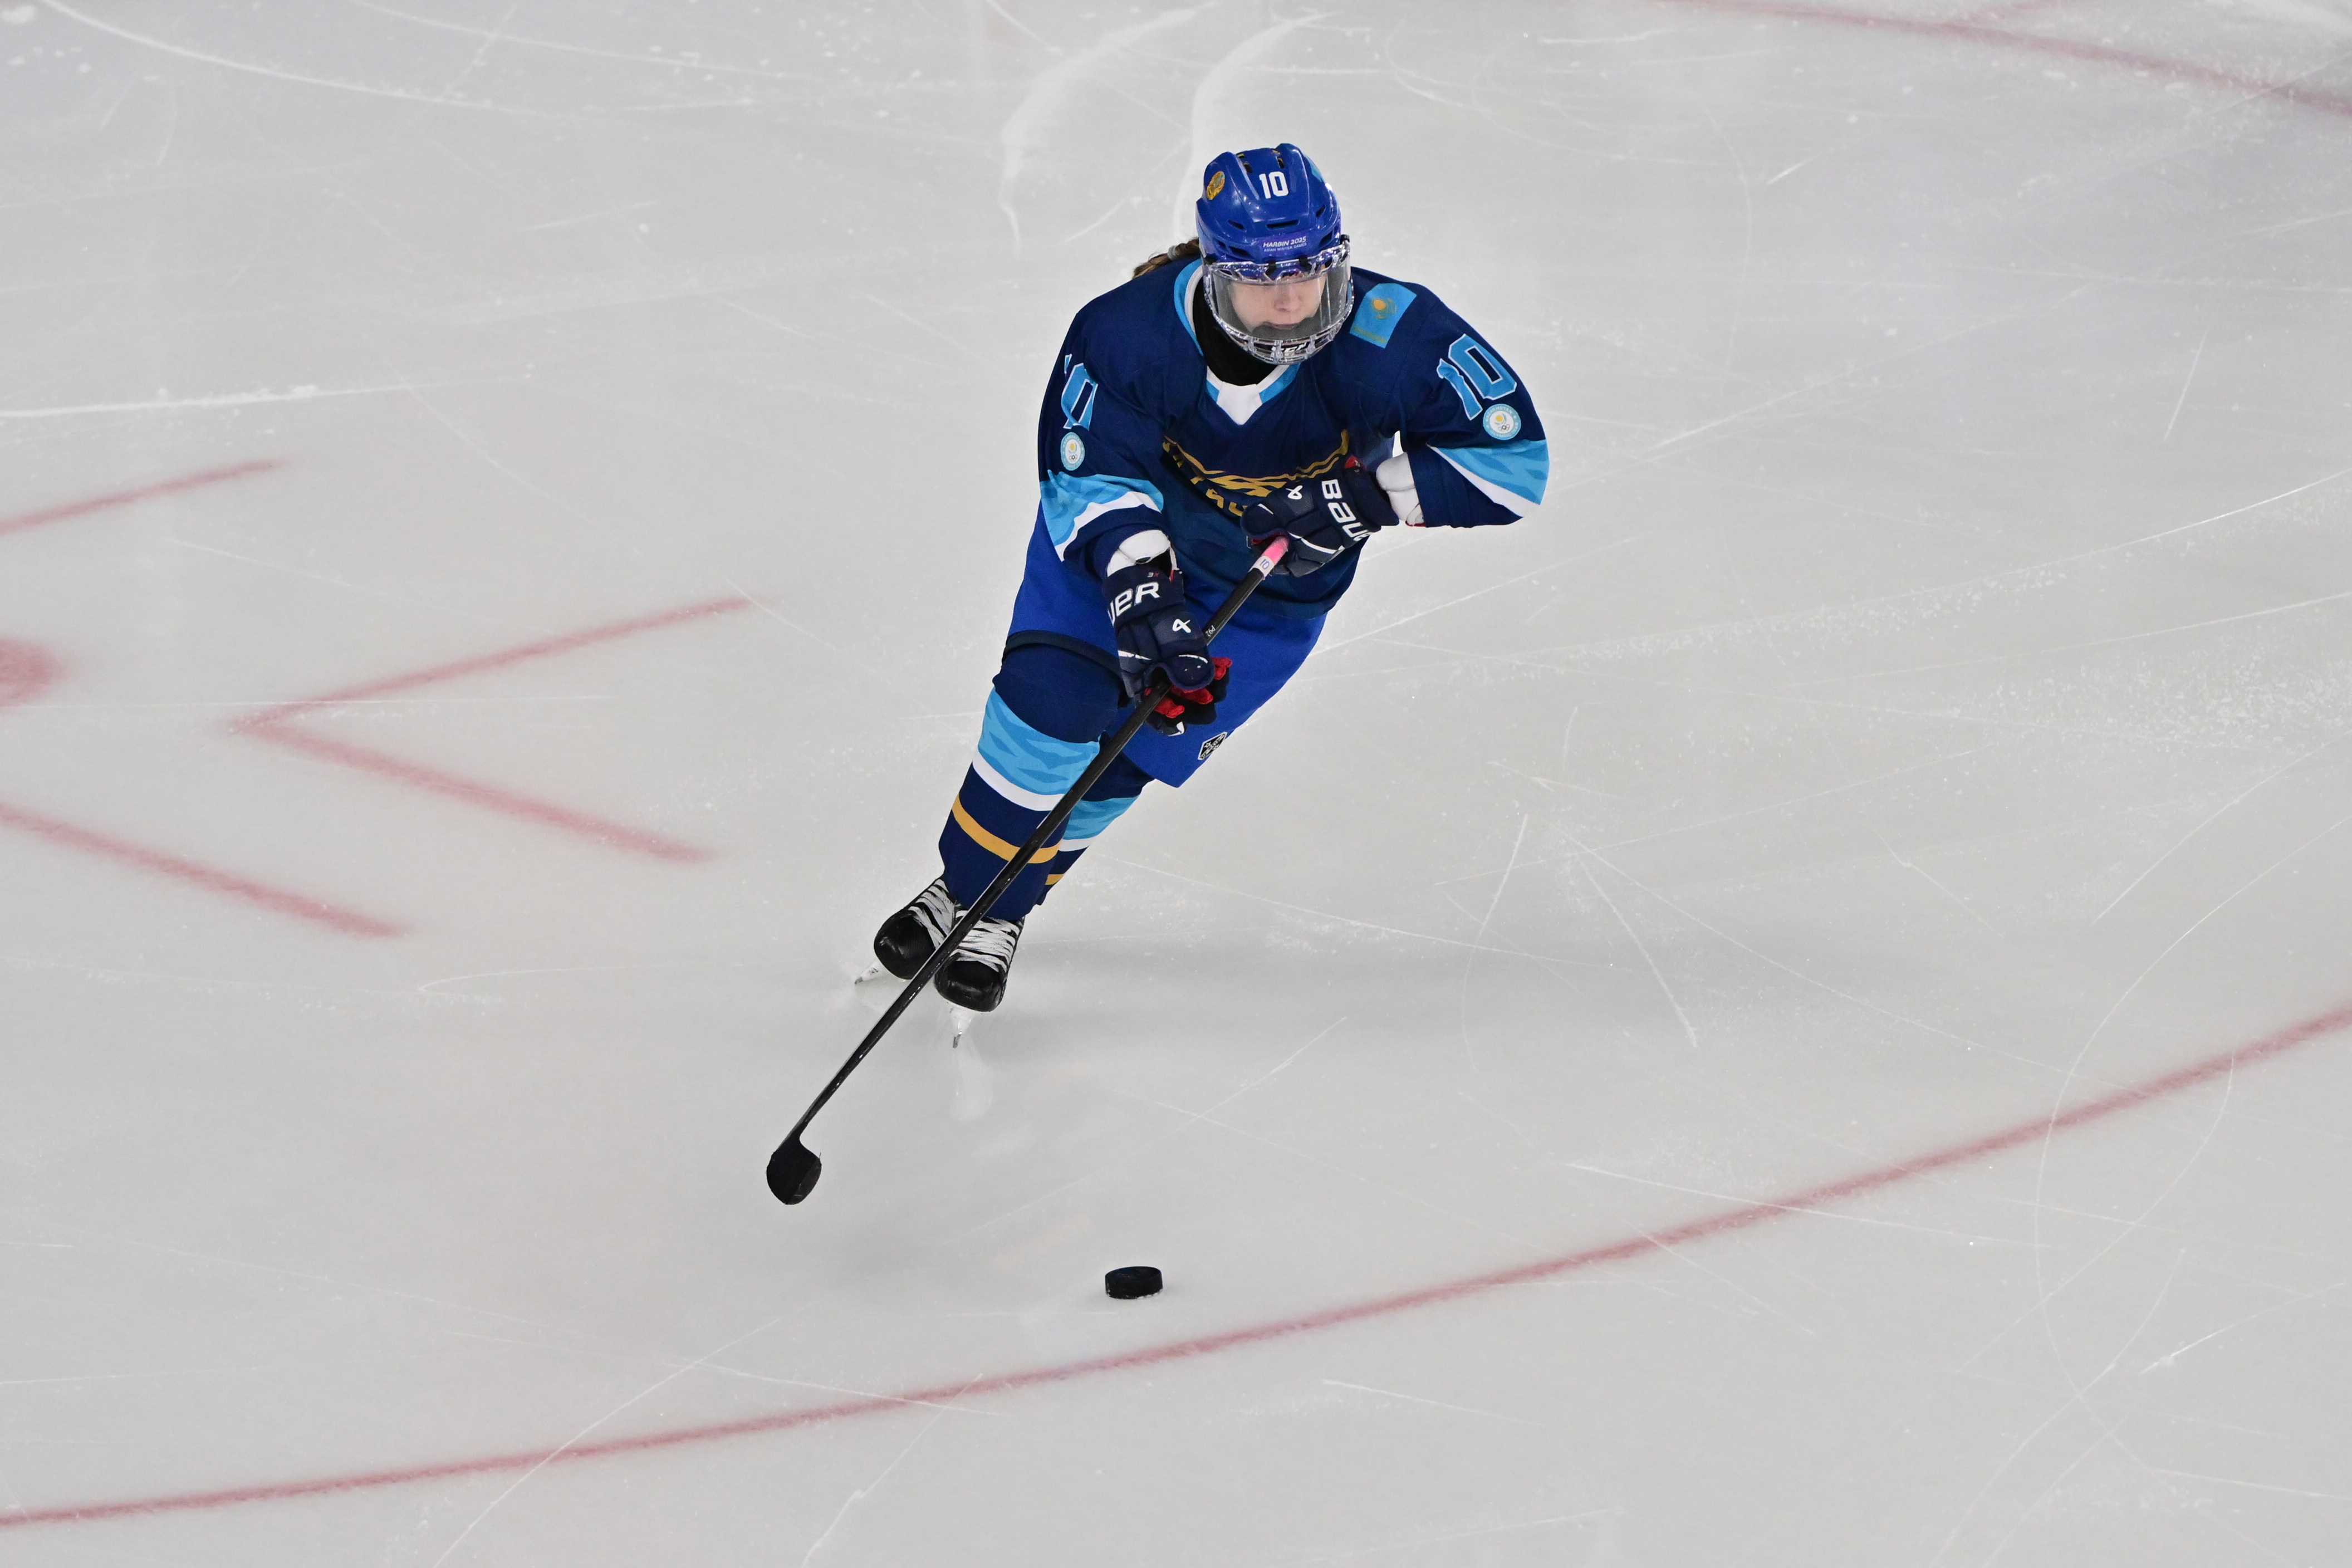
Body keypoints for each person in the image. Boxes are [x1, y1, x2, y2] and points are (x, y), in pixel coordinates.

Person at [873, 143, 1547, 1011]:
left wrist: (1361, 498)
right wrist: (1140, 586)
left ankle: (1003, 903)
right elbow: (1090, 474)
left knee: (1124, 759)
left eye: (1309, 271)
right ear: (1214, 267)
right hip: (1112, 560)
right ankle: (971, 891)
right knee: (1050, 710)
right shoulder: (1125, 332)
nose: (1292, 301)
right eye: (1263, 279)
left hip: (1268, 601)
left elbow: (1513, 466)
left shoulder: (1394, 334)